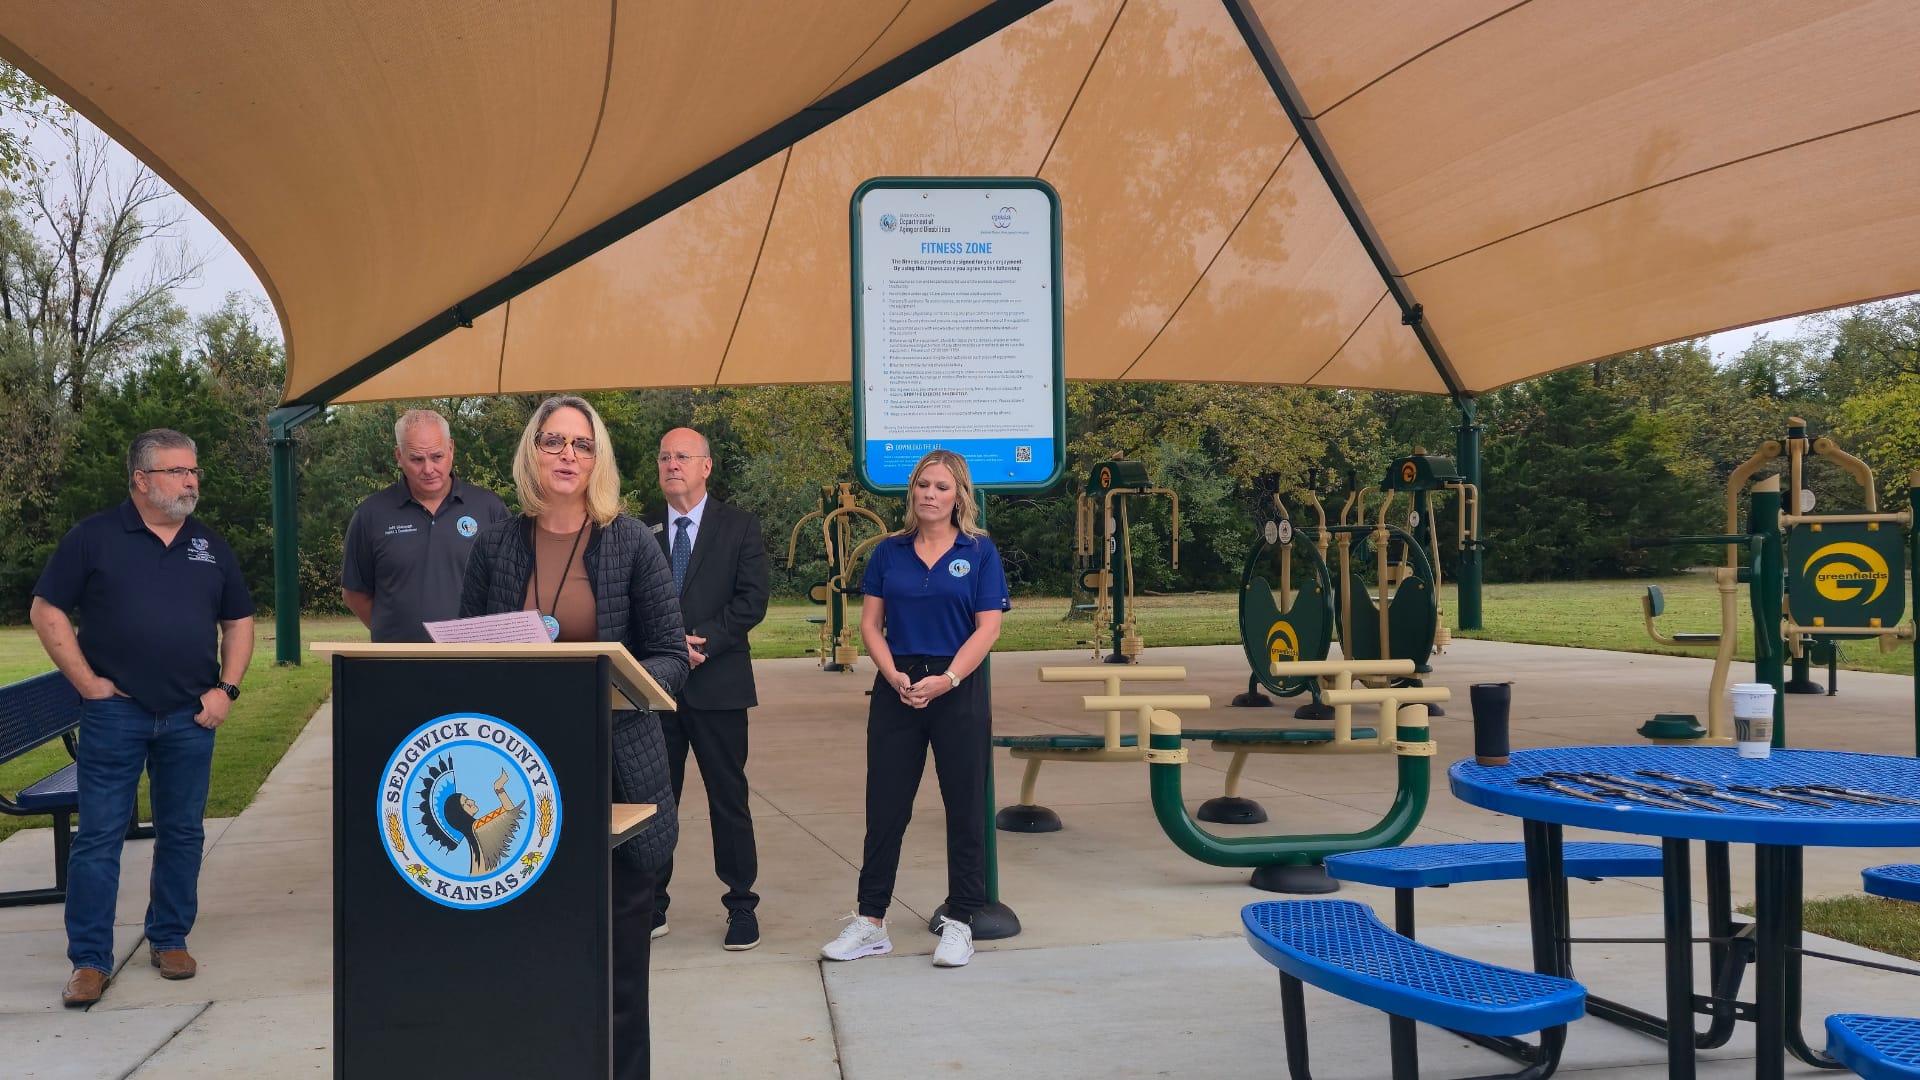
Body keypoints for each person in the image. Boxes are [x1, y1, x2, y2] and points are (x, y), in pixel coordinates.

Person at [459, 395, 686, 1080]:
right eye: (554, 441)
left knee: (617, 971)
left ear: (598, 459)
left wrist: (615, 685)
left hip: (615, 776)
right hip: (516, 779)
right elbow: (467, 643)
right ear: (532, 451)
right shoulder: (497, 541)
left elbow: (671, 653)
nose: (567, 455)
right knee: (530, 960)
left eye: (581, 445)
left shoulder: (629, 541)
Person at [29, 429, 255, 1007]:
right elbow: (46, 609)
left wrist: (226, 689)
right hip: (116, 717)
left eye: (193, 471)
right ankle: (89, 960)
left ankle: (170, 937)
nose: (190, 482)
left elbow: (240, 621)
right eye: (177, 472)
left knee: (183, 832)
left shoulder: (209, 543)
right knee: (100, 836)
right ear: (140, 479)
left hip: (190, 717)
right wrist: (87, 684)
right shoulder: (95, 538)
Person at [819, 449, 1007, 970]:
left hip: (956, 687)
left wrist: (947, 679)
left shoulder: (980, 552)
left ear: (959, 495)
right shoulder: (889, 552)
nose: (930, 494)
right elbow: (869, 627)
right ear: (912, 492)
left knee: (964, 807)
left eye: (942, 487)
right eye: (923, 485)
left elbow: (987, 628)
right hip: (897, 687)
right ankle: (871, 922)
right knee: (885, 809)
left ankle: (961, 922)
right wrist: (893, 675)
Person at [646, 427, 770, 951]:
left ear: (706, 467)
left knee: (729, 799)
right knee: (654, 802)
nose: (672, 464)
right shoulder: (638, 530)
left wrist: (704, 642)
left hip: (718, 685)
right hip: (654, 689)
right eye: (665, 457)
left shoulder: (739, 527)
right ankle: (650, 904)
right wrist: (668, 645)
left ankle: (741, 906)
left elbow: (752, 600)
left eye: (683, 456)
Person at [341, 408, 509, 642]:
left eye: (437, 456)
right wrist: (395, 634)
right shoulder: (371, 515)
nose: (429, 469)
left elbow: (510, 587)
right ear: (399, 456)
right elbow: (354, 593)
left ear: (451, 449)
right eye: (417, 459)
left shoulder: (489, 508)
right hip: (398, 666)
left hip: (472, 663)